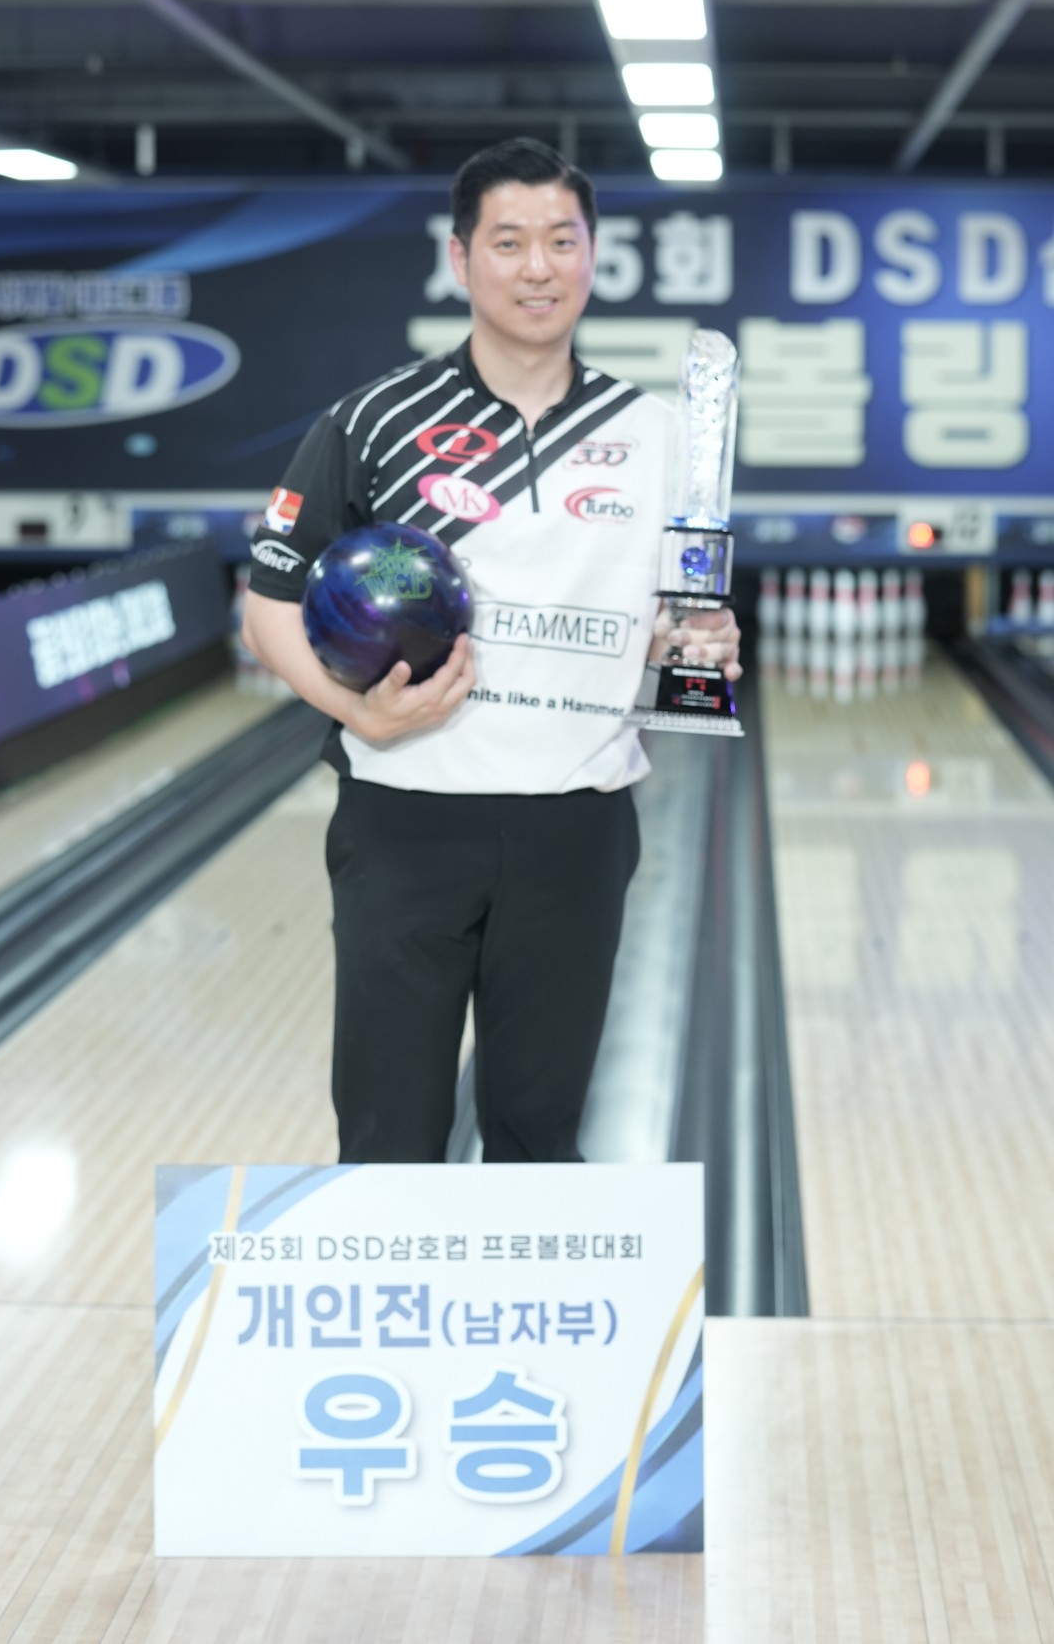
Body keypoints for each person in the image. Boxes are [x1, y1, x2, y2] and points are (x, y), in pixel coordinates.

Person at [243, 138, 741, 1165]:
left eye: (562, 240)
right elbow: (269, 602)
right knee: (387, 1136)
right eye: (509, 242)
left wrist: (700, 642)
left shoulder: (659, 436)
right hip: (404, 820)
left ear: (593, 255)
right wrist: (356, 709)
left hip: (576, 828)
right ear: (461, 258)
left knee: (538, 1135)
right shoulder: (374, 421)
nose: (538, 266)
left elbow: (676, 622)